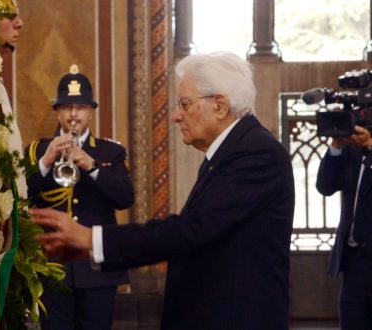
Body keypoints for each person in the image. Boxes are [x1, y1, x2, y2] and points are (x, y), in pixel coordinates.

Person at [30, 52, 295, 330]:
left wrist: (93, 239)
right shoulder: (229, 153)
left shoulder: (256, 153)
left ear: (219, 105)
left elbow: (192, 229)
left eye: (184, 104)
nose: (175, 116)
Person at [25, 65, 135, 330]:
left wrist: (93, 166)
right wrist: (46, 161)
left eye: (81, 107)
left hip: (95, 267)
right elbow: (21, 197)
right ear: (58, 111)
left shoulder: (110, 152)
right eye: (66, 107)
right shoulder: (37, 150)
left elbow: (125, 198)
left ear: (91, 111)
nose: (74, 114)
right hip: (52, 267)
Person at [316, 125, 372, 329]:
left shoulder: (366, 143)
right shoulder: (355, 144)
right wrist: (336, 146)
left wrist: (370, 146)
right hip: (355, 261)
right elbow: (325, 186)